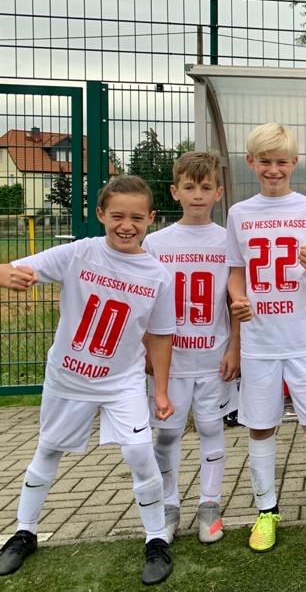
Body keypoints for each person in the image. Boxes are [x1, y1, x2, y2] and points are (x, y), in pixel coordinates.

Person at [0, 175, 177, 585]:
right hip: (68, 377)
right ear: (100, 214)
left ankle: (156, 539)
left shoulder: (158, 274)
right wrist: (5, 274)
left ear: (151, 218)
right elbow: (16, 270)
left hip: (121, 382)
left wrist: (161, 391)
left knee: (139, 451)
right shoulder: (79, 253)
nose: (126, 225)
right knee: (48, 448)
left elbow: (161, 336)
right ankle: (24, 532)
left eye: (136, 217)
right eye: (117, 216)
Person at [225, 123, 306, 559]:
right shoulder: (239, 213)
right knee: (261, 427)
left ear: (294, 163)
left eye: (281, 162)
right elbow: (236, 269)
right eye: (265, 161)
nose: (273, 169)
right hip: (259, 342)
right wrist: (238, 298)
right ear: (251, 162)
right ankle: (266, 512)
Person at [143, 151, 240, 545]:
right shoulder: (155, 243)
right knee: (167, 435)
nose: (197, 194)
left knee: (211, 427)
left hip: (214, 357)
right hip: (170, 360)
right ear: (175, 192)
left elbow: (236, 300)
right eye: (189, 187)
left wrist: (235, 349)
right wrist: (146, 352)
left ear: (218, 192)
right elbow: (143, 301)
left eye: (205, 187)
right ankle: (168, 506)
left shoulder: (229, 240)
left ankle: (209, 504)